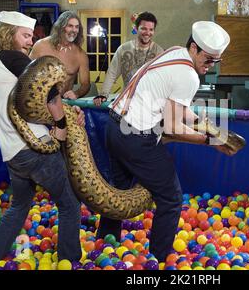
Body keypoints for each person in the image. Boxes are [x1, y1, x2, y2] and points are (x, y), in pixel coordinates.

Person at [97, 21, 234, 262]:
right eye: (209, 59)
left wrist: (204, 124)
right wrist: (209, 140)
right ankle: (158, 259)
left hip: (114, 127)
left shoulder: (173, 52)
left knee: (119, 190)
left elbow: (177, 110)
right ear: (194, 48)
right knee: (170, 198)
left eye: (216, 61)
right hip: (135, 138)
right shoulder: (189, 75)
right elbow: (171, 127)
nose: (211, 66)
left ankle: (104, 245)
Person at [0, 11, 83, 263]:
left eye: (31, 36)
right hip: (36, 150)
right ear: (8, 33)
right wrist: (61, 123)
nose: (30, 41)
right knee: (70, 204)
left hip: (13, 154)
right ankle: (68, 261)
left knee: (19, 206)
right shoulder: (13, 57)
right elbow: (48, 88)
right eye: (25, 35)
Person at [93, 11, 163, 106]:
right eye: (143, 28)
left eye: (151, 29)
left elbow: (163, 80)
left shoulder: (159, 52)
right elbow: (112, 73)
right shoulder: (123, 49)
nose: (147, 33)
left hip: (150, 104)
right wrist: (103, 94)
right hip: (126, 103)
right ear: (136, 28)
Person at [30, 11, 90, 100]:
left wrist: (76, 93)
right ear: (60, 27)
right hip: (39, 101)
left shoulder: (80, 54)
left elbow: (86, 84)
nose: (74, 30)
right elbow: (25, 74)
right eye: (70, 26)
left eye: (76, 27)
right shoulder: (41, 46)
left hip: (63, 103)